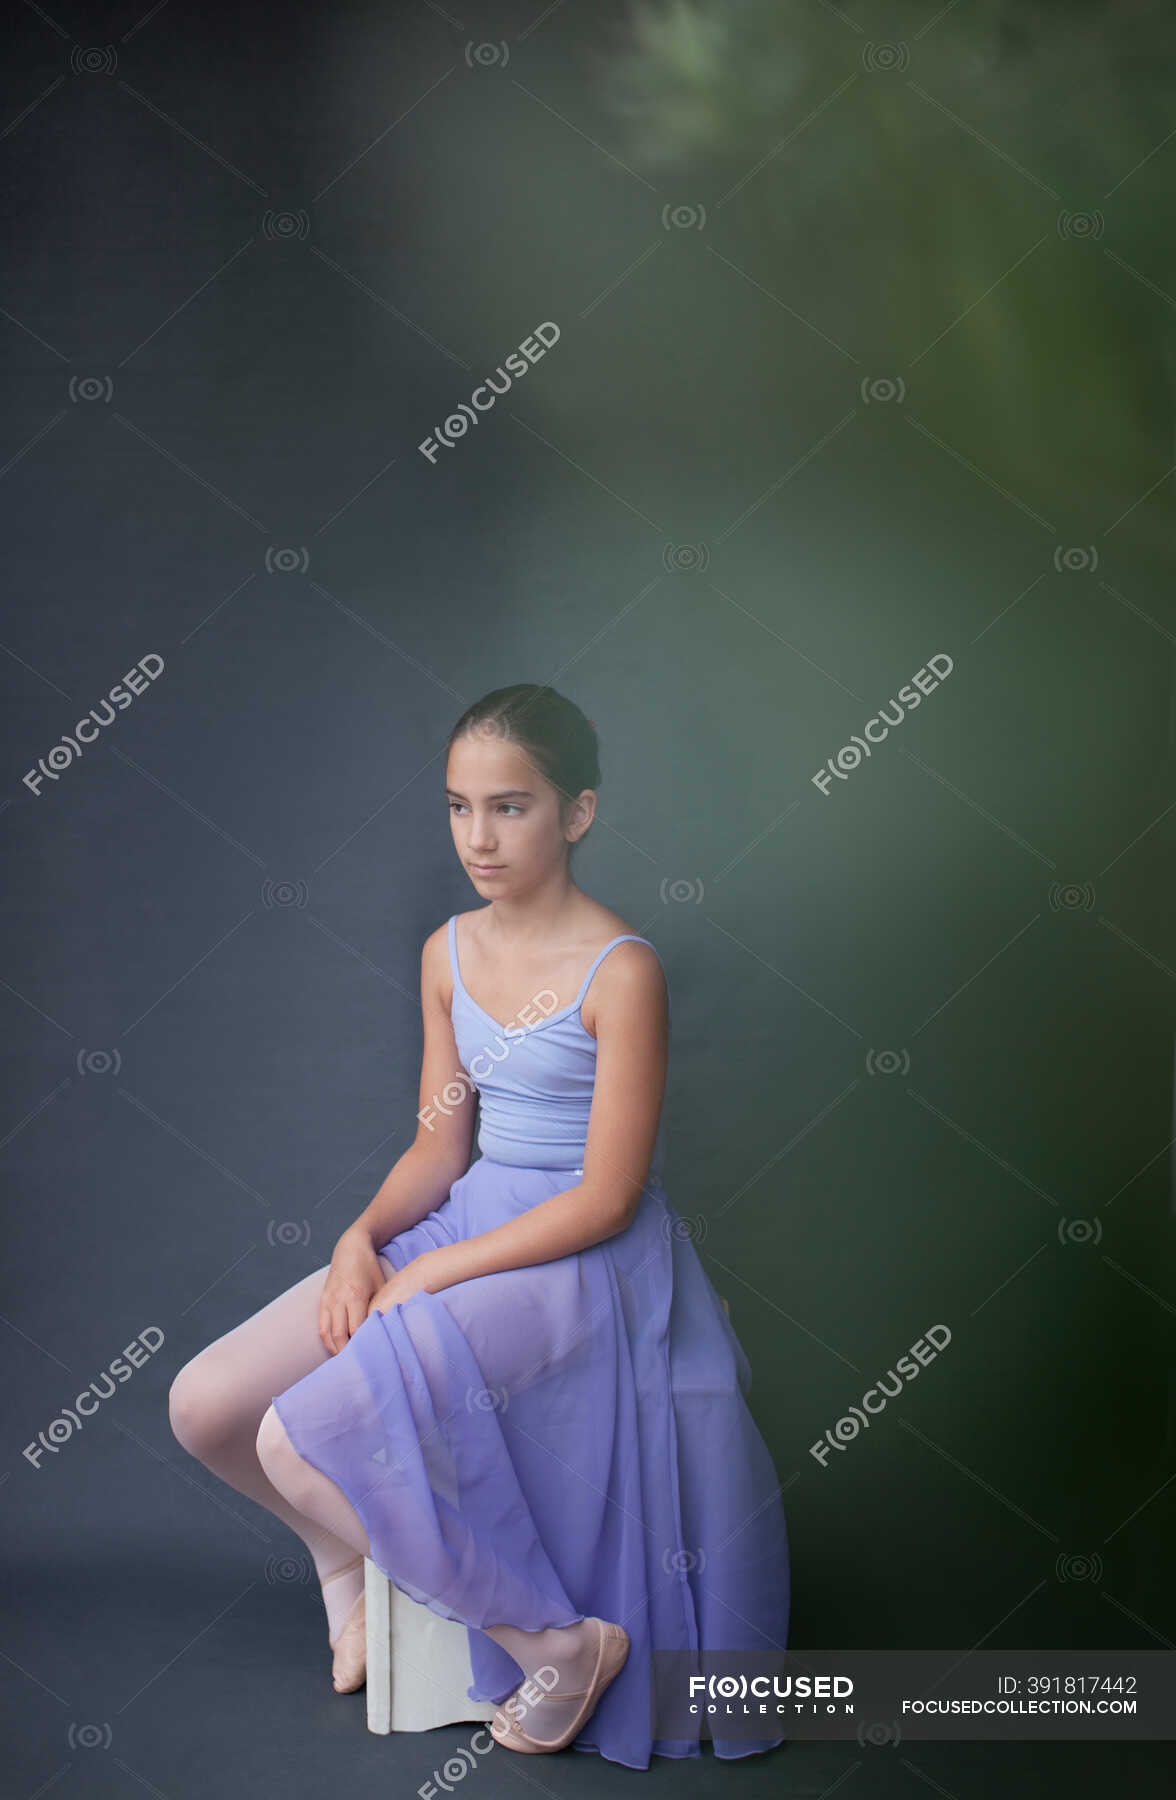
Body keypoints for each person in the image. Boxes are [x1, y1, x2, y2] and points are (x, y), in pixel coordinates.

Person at [168, 683, 789, 1770]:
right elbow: (440, 1148)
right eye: (459, 808)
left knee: (294, 1435)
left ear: (577, 813)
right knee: (209, 1406)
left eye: (509, 807)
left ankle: (552, 1645)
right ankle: (344, 1577)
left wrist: (440, 1271)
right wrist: (360, 1242)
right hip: (466, 1217)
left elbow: (605, 1195)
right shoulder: (446, 951)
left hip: (578, 1258)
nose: (479, 838)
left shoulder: (622, 969)